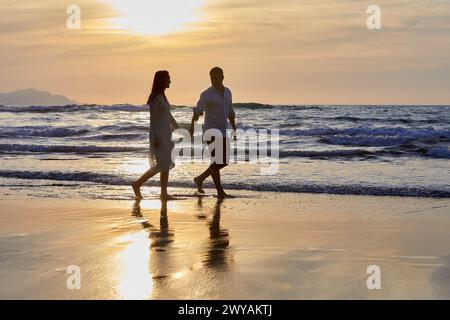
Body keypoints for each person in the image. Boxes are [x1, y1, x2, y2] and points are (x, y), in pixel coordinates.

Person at [189, 67, 237, 198]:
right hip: (211, 131)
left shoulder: (228, 92)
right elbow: (198, 111)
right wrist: (192, 127)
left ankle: (199, 179)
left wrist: (234, 128)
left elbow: (230, 112)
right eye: (211, 78)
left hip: (223, 130)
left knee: (223, 161)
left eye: (216, 78)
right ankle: (220, 191)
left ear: (222, 77)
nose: (213, 80)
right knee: (218, 161)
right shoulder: (207, 94)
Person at [132, 70, 179, 200]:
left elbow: (168, 116)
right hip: (159, 135)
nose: (170, 81)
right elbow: (153, 120)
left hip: (166, 134)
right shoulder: (155, 98)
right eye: (168, 78)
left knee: (166, 164)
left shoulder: (163, 96)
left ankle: (163, 193)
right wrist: (156, 137)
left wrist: (178, 128)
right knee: (160, 165)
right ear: (162, 80)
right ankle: (137, 184)